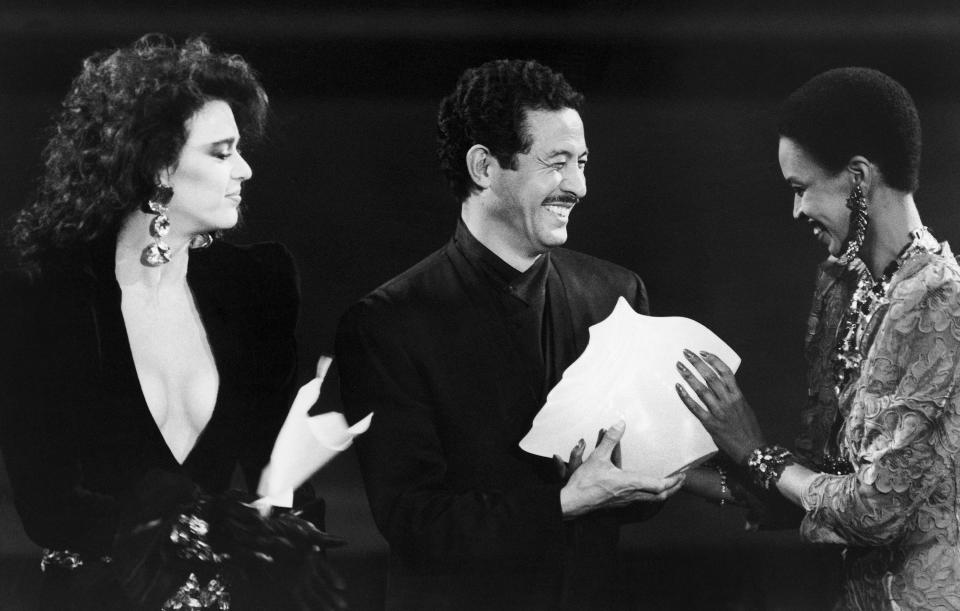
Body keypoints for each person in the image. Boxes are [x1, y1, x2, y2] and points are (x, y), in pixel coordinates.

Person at [0, 35, 344, 610]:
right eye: (221, 151)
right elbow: (48, 504)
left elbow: (282, 476)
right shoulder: (44, 295)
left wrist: (291, 550)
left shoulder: (255, 286)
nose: (246, 169)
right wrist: (207, 529)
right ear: (159, 164)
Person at [335, 59, 684, 611]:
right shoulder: (389, 322)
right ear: (483, 166)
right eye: (557, 163)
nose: (579, 186)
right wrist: (564, 503)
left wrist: (659, 472)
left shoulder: (616, 293)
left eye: (583, 162)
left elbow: (633, 495)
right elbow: (414, 522)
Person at [676, 67, 960, 610]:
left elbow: (873, 511)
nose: (796, 210)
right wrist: (668, 471)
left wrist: (756, 451)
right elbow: (816, 484)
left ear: (858, 177)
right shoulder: (843, 288)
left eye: (801, 189)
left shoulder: (939, 301)